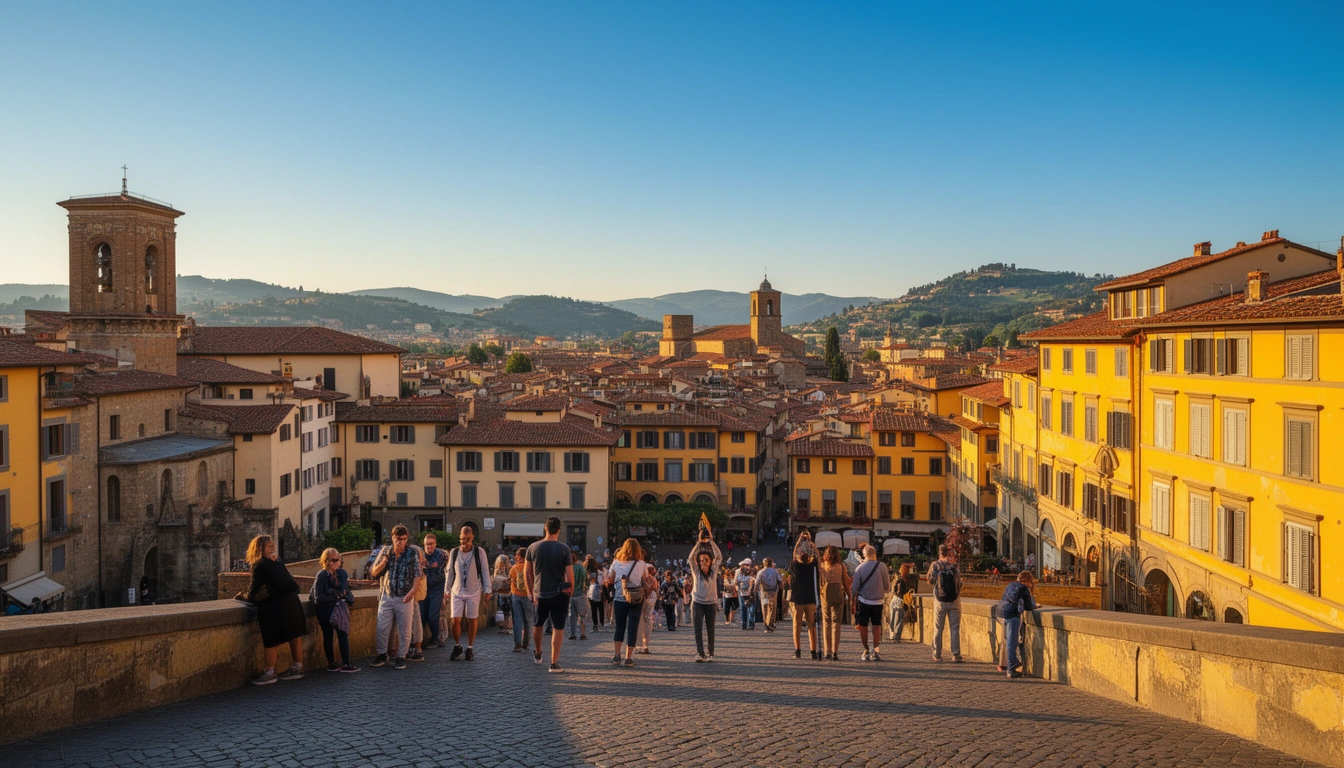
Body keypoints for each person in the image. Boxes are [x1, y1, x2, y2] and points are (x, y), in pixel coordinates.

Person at [245, 535, 307, 685]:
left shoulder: (261, 564)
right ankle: (297, 666)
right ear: (261, 548)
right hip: (291, 601)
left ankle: (270, 671)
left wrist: (247, 597)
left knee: (271, 639)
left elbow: (254, 588)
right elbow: (289, 581)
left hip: (274, 605)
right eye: (269, 547)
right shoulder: (277, 562)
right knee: (294, 635)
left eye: (273, 546)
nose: (273, 549)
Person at [369, 525, 423, 670]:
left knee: (405, 630)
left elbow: (417, 575)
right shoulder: (385, 551)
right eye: (398, 539)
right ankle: (381, 655)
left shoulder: (412, 553)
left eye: (404, 539)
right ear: (393, 538)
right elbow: (373, 572)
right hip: (387, 595)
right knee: (382, 628)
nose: (401, 542)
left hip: (404, 596)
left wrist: (411, 593)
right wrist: (385, 560)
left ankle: (401, 657)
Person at [525, 516, 575, 673]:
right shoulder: (564, 549)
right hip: (559, 594)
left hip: (539, 593)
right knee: (558, 627)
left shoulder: (532, 548)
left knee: (537, 624)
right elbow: (570, 575)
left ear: (545, 529)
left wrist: (530, 592)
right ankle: (554, 663)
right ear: (559, 530)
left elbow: (527, 573)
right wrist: (570, 591)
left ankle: (538, 654)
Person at [445, 525, 492, 661]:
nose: (464, 541)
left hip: (474, 590)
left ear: (472, 538)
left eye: (468, 538)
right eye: (462, 538)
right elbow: (450, 572)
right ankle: (457, 645)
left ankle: (470, 647)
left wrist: (487, 590)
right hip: (457, 590)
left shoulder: (479, 552)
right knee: (455, 619)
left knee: (472, 619)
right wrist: (446, 590)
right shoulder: (454, 552)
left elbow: (484, 570)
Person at [604, 537, 649, 667]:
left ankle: (617, 655)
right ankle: (628, 657)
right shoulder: (641, 564)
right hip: (636, 598)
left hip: (620, 597)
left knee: (620, 627)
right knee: (633, 627)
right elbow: (645, 578)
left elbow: (610, 578)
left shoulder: (617, 563)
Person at [313, 548, 358, 673]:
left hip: (338, 608)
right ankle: (331, 663)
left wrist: (333, 593)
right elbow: (318, 597)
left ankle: (346, 663)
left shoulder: (341, 573)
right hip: (325, 610)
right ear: (326, 561)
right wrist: (336, 595)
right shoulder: (322, 575)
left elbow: (342, 588)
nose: (336, 563)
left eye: (338, 560)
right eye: (333, 560)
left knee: (342, 634)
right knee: (328, 636)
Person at [686, 527, 723, 661]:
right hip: (697, 602)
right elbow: (690, 558)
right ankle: (700, 653)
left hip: (711, 603)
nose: (703, 562)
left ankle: (711, 654)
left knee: (710, 629)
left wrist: (711, 541)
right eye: (701, 560)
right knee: (697, 629)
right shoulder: (696, 572)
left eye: (706, 559)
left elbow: (719, 556)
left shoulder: (713, 570)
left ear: (710, 561)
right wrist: (699, 542)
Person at [850, 545, 891, 661]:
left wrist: (852, 599)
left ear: (864, 555)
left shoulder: (860, 568)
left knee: (863, 625)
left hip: (864, 601)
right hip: (878, 601)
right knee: (876, 625)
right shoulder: (882, 566)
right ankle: (876, 649)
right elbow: (887, 587)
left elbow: (855, 588)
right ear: (875, 554)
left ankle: (866, 649)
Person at [997, 571, 1038, 678]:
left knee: (1008, 641)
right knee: (1012, 641)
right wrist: (1035, 606)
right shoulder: (1023, 588)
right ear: (1028, 581)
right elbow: (1028, 606)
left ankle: (1011, 664)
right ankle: (1011, 669)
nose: (1031, 585)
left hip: (1001, 613)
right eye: (1031, 582)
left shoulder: (1011, 584)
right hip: (1011, 614)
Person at [927, 544, 964, 662]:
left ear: (939, 553)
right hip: (954, 601)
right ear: (948, 552)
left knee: (938, 628)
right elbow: (960, 583)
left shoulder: (935, 565)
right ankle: (955, 654)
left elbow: (930, 580)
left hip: (940, 601)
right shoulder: (954, 565)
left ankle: (937, 654)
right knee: (954, 628)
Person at [817, 545, 851, 661]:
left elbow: (819, 583)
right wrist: (850, 597)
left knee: (826, 623)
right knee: (836, 624)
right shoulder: (841, 567)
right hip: (838, 595)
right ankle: (835, 651)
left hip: (825, 596)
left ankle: (827, 651)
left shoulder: (822, 567)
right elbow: (846, 583)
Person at [790, 532, 820, 660]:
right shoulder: (812, 567)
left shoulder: (796, 566)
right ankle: (813, 650)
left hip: (798, 599)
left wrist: (798, 541)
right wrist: (813, 545)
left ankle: (798, 650)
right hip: (811, 599)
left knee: (797, 626)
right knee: (811, 626)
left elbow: (793, 555)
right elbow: (818, 559)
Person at [420, 533, 448, 649]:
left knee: (433, 615)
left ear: (435, 544)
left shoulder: (440, 555)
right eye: (427, 544)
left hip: (436, 589)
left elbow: (439, 569)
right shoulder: (421, 555)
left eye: (431, 544)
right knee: (421, 616)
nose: (429, 547)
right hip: (423, 589)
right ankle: (420, 640)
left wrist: (428, 566)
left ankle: (435, 638)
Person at [509, 548, 535, 652]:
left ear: (520, 557)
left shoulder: (514, 568)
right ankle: (526, 643)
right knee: (528, 620)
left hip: (516, 595)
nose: (515, 558)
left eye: (517, 556)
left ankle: (517, 644)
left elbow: (511, 580)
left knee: (517, 620)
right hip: (528, 595)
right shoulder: (530, 568)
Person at [635, 549, 660, 653]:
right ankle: (646, 644)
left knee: (639, 619)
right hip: (652, 595)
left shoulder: (636, 565)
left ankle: (639, 644)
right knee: (648, 619)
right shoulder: (650, 566)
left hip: (640, 594)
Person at [887, 562, 918, 643]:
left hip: (894, 599)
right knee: (899, 619)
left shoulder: (898, 579)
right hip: (900, 600)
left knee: (893, 619)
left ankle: (892, 635)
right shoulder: (904, 580)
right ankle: (896, 636)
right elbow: (901, 592)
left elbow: (894, 590)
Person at [753, 558, 782, 632]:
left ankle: (766, 622)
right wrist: (781, 588)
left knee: (764, 608)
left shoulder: (761, 572)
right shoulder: (775, 571)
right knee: (772, 608)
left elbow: (756, 583)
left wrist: (754, 592)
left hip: (764, 592)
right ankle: (770, 623)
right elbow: (780, 580)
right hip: (773, 591)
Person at [568, 552, 590, 641]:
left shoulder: (567, 568)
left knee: (571, 616)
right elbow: (587, 580)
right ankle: (583, 634)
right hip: (580, 594)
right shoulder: (581, 568)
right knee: (582, 615)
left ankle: (572, 634)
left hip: (570, 595)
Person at [492, 555, 513, 634]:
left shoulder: (509, 568)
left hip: (506, 592)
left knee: (506, 610)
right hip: (501, 592)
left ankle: (506, 626)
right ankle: (503, 626)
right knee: (502, 610)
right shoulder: (498, 570)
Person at [736, 560, 757, 630]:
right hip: (749, 594)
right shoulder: (751, 578)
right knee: (750, 609)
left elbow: (736, 584)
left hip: (742, 594)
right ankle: (750, 624)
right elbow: (752, 586)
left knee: (743, 609)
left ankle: (744, 623)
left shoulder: (740, 577)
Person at [586, 556, 606, 630]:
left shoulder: (588, 573)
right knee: (601, 608)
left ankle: (595, 624)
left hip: (591, 591)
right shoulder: (599, 572)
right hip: (599, 590)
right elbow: (602, 582)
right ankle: (602, 623)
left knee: (593, 608)